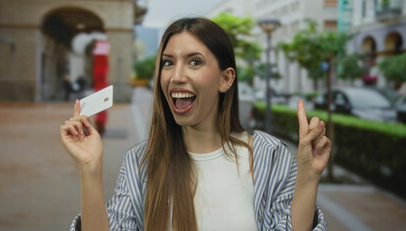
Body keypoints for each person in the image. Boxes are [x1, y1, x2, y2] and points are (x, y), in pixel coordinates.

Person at [60, 18, 331, 231]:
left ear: (226, 79)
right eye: (168, 62)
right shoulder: (141, 163)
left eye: (195, 62)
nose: (176, 76)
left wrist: (308, 177)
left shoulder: (268, 155)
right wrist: (90, 168)